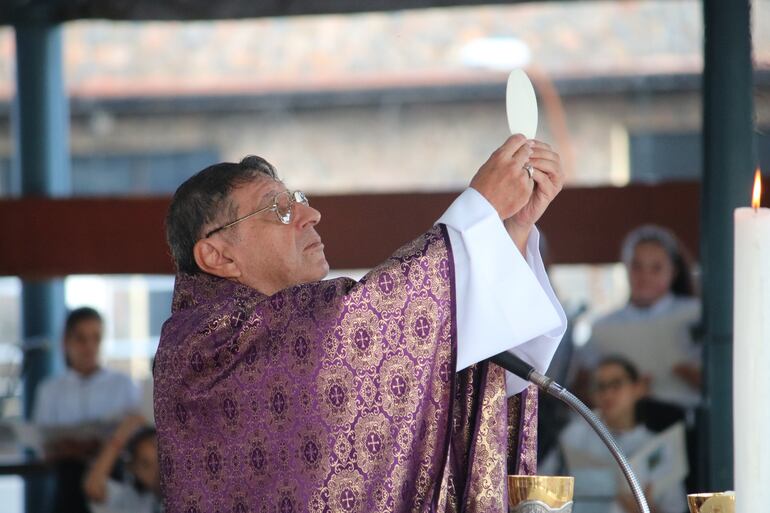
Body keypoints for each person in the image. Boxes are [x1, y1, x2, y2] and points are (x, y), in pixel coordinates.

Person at [154, 134, 567, 513]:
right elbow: (342, 329)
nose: (311, 214)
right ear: (218, 256)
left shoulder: (285, 325)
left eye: (299, 198)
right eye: (278, 208)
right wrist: (482, 208)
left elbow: (439, 360)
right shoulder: (202, 348)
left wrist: (506, 233)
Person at [541, 357, 687, 513]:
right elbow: (542, 486)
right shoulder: (574, 435)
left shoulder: (660, 447)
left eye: (616, 384)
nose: (608, 393)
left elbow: (675, 508)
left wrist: (647, 509)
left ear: (637, 388)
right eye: (600, 387)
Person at [580, 225, 701, 411]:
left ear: (674, 271)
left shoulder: (695, 314)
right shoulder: (603, 327)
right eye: (637, 266)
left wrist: (696, 376)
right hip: (623, 428)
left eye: (656, 268)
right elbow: (583, 386)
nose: (645, 276)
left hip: (687, 421)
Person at [33, 307, 141, 513]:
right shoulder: (49, 390)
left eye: (96, 338)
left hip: (115, 481)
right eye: (81, 339)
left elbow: (137, 439)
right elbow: (41, 445)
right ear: (66, 342)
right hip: (66, 486)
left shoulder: (123, 384)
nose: (89, 346)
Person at [84, 415, 162, 513]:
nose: (158, 468)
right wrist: (121, 434)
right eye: (146, 465)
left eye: (160, 457)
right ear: (132, 469)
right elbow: (93, 488)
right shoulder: (134, 501)